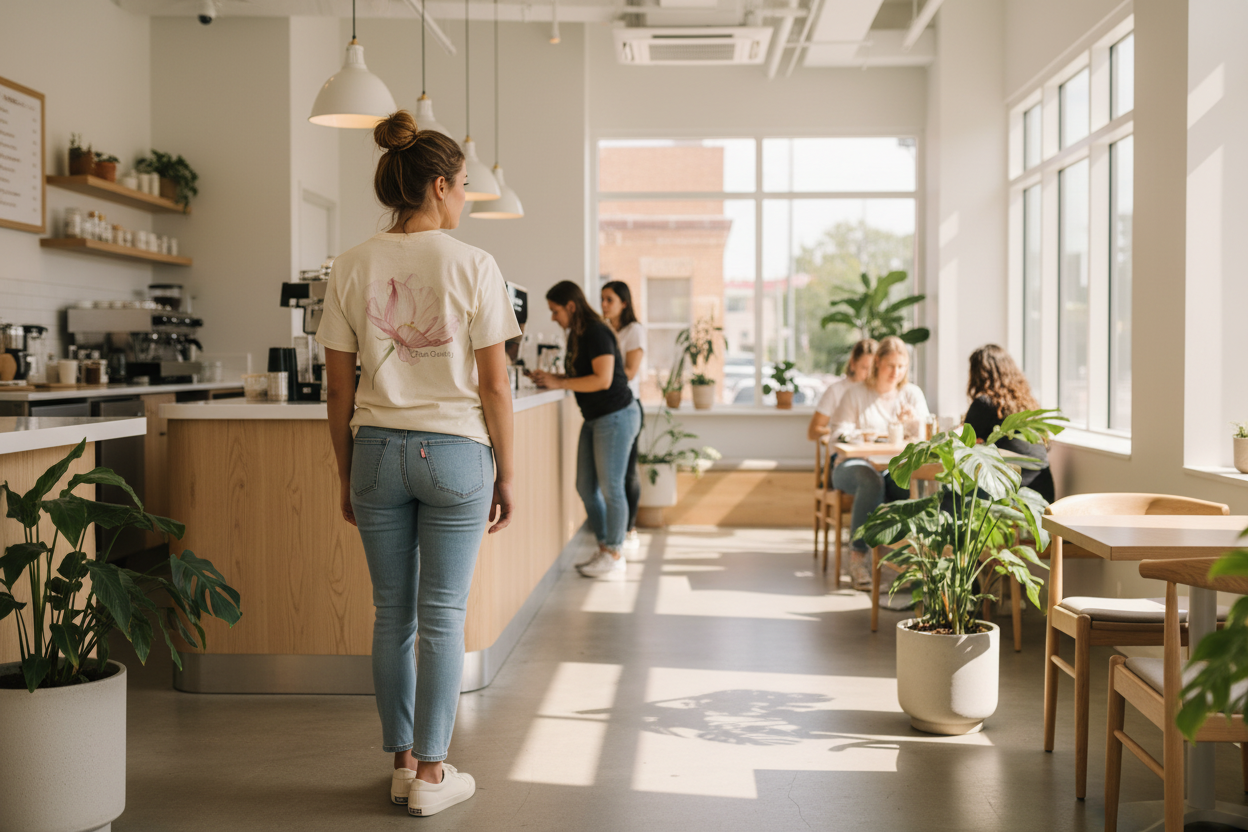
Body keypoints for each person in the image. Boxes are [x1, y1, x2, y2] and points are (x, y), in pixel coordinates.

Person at [317, 110, 519, 819]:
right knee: (442, 618)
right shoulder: (474, 265)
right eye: (462, 187)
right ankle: (433, 776)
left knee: (390, 617)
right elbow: (496, 385)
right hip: (457, 453)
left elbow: (338, 389)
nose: (464, 200)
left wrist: (345, 472)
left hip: (376, 451)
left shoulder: (349, 264)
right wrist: (509, 474)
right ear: (438, 186)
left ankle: (402, 762)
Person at [531, 281, 640, 580]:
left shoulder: (596, 331)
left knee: (611, 488)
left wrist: (560, 383)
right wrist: (554, 377)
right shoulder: (578, 334)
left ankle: (615, 553)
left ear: (570, 306)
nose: (553, 318)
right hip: (595, 417)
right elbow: (583, 374)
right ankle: (606, 547)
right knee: (585, 486)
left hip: (616, 415)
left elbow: (603, 380)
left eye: (555, 311)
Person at [828, 335, 931, 587]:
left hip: (892, 469)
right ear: (877, 364)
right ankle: (858, 559)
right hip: (851, 466)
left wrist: (912, 423)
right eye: (890, 365)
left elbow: (926, 437)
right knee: (871, 480)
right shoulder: (856, 394)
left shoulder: (912, 395)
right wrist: (864, 437)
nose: (896, 372)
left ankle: (917, 563)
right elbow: (836, 435)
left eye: (901, 366)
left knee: (915, 485)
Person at [964, 344, 1055, 502]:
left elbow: (965, 443)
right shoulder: (1026, 403)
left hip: (1011, 494)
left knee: (955, 494)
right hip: (1043, 490)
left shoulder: (984, 403)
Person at [601, 280, 646, 558]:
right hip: (609, 406)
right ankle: (616, 530)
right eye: (603, 299)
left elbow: (630, 371)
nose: (604, 305)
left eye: (610, 300)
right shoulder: (606, 331)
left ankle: (630, 530)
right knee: (612, 475)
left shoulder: (634, 331)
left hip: (629, 404)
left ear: (624, 303)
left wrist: (603, 372)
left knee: (628, 471)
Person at [807, 338, 878, 442]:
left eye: (873, 369)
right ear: (853, 364)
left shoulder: (879, 392)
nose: (869, 374)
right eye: (864, 368)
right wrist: (842, 431)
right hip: (844, 450)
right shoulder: (835, 391)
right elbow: (812, 432)